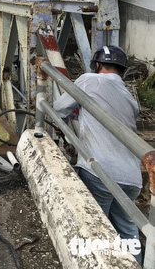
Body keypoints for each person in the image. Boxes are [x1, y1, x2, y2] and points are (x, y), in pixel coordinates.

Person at [53, 45, 141, 261]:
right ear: (122, 70)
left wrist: (66, 126)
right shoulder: (131, 99)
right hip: (132, 178)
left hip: (99, 171)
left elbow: (58, 108)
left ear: (97, 65)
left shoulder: (89, 79)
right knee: (128, 233)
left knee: (96, 232)